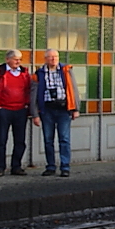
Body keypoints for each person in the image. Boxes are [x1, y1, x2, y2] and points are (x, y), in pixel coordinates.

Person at [30, 49, 78, 177]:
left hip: (63, 109)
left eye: (55, 56)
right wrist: (35, 114)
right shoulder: (39, 73)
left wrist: (75, 108)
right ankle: (50, 166)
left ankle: (65, 167)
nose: (53, 59)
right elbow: (33, 95)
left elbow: (73, 89)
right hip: (47, 110)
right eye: (50, 57)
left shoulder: (66, 70)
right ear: (45, 59)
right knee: (48, 140)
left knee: (64, 139)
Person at [0, 50, 31, 176]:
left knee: (20, 140)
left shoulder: (24, 73)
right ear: (7, 59)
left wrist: (26, 105)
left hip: (20, 110)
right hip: (4, 110)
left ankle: (16, 166)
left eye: (20, 59)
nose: (18, 61)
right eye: (15, 59)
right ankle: (0, 167)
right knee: (2, 140)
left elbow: (29, 90)